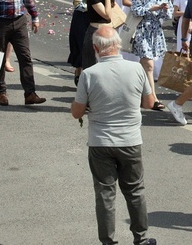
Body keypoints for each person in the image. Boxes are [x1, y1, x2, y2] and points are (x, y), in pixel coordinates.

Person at [70, 26, 156, 245]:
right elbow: (148, 103)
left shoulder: (89, 74)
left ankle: (108, 242)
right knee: (135, 190)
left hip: (100, 142)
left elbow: (76, 112)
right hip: (130, 140)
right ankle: (141, 238)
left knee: (105, 194)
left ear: (96, 47)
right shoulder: (136, 69)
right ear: (118, 44)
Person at [131, 0, 172, 111]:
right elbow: (135, 10)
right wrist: (152, 8)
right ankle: (153, 98)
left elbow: (169, 15)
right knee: (148, 65)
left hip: (155, 30)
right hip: (142, 29)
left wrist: (165, 10)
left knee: (146, 66)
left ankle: (141, 96)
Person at [68, 0, 105, 85]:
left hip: (97, 19)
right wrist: (95, 7)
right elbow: (77, 4)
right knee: (83, 48)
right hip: (83, 18)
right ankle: (80, 74)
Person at [82, 0, 120, 71]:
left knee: (110, 65)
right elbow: (106, 15)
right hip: (96, 32)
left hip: (109, 32)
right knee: (93, 65)